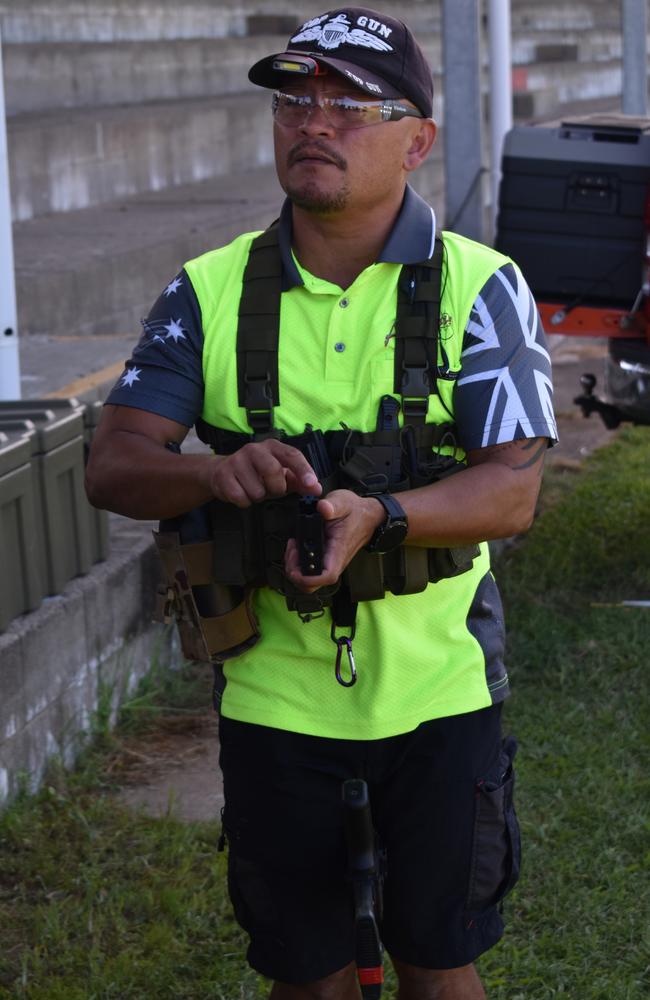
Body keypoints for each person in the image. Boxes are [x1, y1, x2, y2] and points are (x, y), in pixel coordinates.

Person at [86, 7, 558, 998]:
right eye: (294, 99)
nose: (314, 122)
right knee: (304, 971)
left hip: (441, 693)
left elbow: (511, 491)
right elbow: (117, 461)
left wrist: (378, 518)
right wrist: (215, 472)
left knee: (439, 959)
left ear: (416, 141)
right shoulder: (205, 292)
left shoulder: (482, 287)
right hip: (272, 697)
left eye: (350, 104)